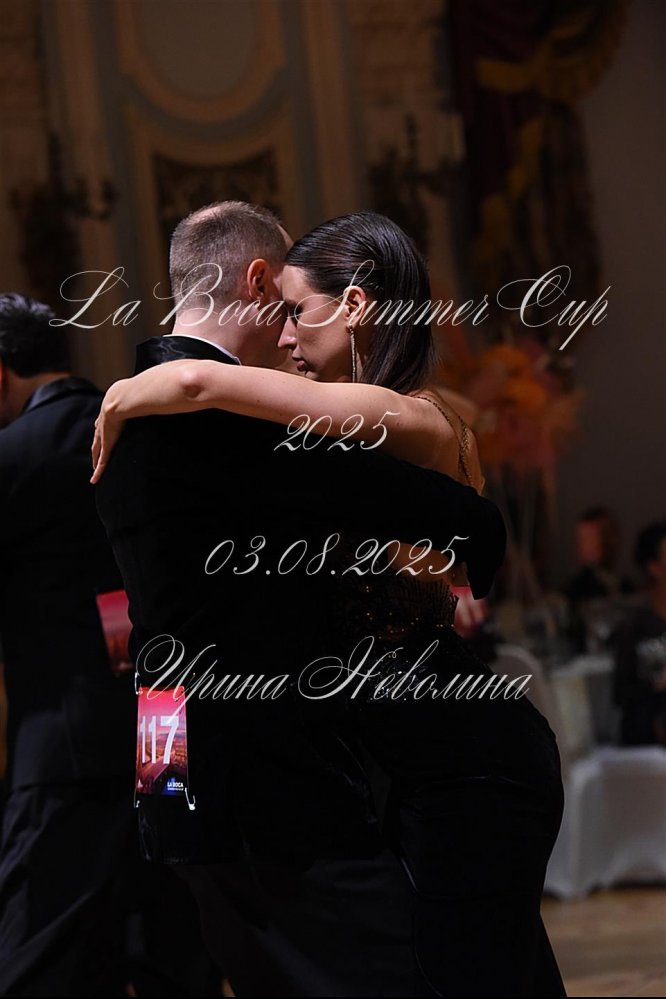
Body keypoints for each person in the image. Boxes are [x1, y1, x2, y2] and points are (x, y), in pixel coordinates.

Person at [93, 205, 565, 997]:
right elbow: (466, 525)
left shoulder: (136, 414)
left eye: (298, 312)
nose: (286, 335)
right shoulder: (217, 424)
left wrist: (163, 796)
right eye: (281, 306)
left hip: (172, 754)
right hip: (270, 782)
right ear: (256, 281)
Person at [0, 293, 220, 997]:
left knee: (38, 960)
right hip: (164, 721)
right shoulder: (140, 429)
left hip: (63, 747)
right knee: (174, 942)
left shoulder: (14, 454)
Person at [612, 520, 666, 746]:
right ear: (653, 567)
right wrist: (658, 684)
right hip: (647, 729)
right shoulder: (634, 626)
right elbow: (621, 694)